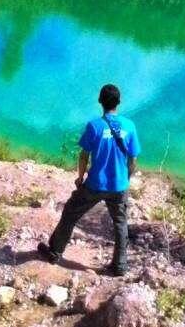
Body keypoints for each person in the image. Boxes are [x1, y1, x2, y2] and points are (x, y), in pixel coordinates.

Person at [38, 83, 141, 276]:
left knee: (70, 212)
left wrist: (80, 177)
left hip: (94, 184)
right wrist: (125, 179)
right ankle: (119, 266)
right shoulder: (130, 126)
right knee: (120, 223)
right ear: (118, 102)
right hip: (119, 186)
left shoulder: (94, 126)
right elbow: (133, 159)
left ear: (100, 101)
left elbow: (84, 155)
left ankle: (55, 252)